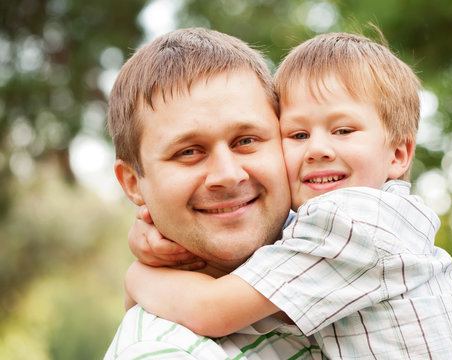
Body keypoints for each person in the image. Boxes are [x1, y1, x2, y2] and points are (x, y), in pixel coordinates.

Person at [125, 32, 452, 359]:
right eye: (297, 135)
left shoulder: (356, 220)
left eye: (343, 130)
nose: (318, 149)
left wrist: (137, 277)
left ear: (397, 154)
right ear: (131, 183)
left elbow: (208, 310)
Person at [103, 27, 323, 359]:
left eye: (246, 140)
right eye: (189, 152)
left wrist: (139, 277)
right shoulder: (163, 350)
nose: (228, 176)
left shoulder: (344, 232)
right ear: (134, 183)